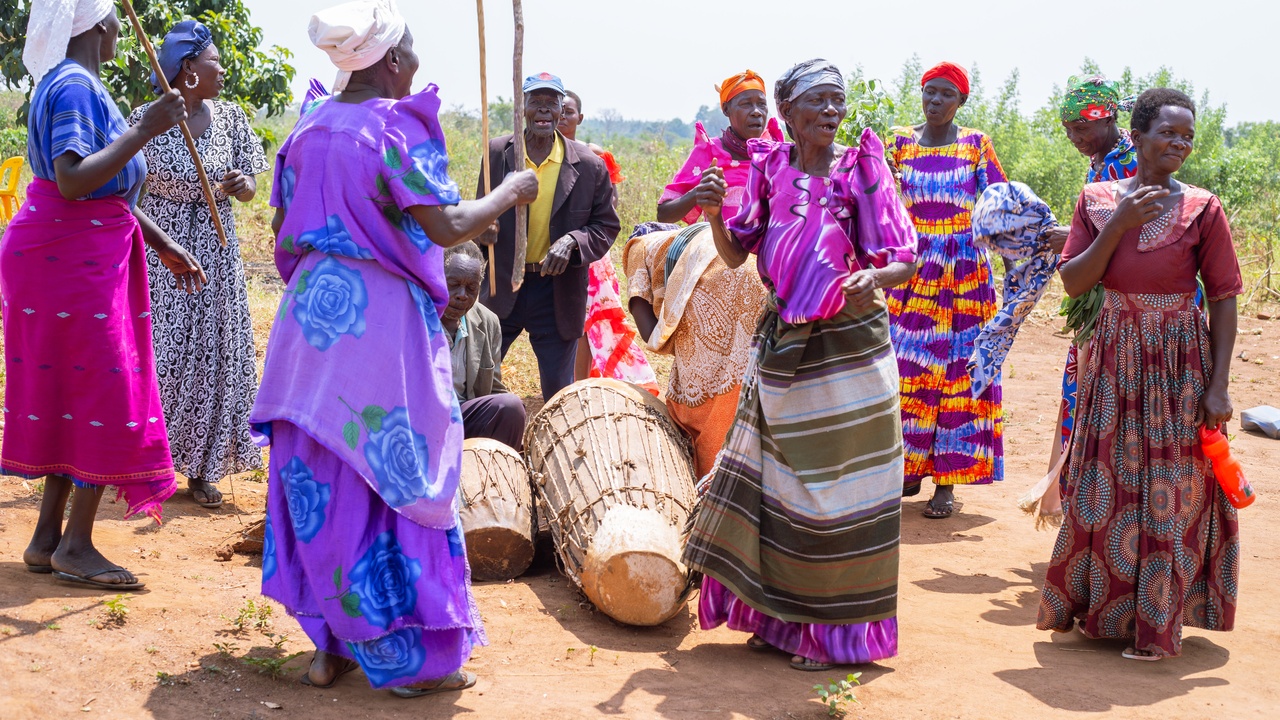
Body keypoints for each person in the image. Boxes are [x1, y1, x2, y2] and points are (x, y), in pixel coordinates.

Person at [250, 0, 538, 696]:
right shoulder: (390, 129)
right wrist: (508, 191)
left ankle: (330, 647)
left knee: (321, 477)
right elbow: (447, 226)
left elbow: (284, 223)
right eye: (410, 54)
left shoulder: (310, 125)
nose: (415, 66)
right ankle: (405, 660)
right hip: (376, 327)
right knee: (395, 483)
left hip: (307, 326)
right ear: (390, 61)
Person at [683, 60, 919, 672]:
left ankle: (833, 635)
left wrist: (877, 276)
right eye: (818, 100)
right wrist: (712, 213)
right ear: (787, 112)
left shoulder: (862, 164)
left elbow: (902, 256)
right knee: (781, 487)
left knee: (842, 490)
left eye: (837, 100)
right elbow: (738, 251)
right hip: (785, 341)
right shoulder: (770, 167)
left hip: (850, 347)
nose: (832, 111)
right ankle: (776, 620)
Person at [3, 0, 204, 590]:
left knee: (74, 391)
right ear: (97, 24)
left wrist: (162, 243)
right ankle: (77, 545)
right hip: (67, 261)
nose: (121, 25)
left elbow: (113, 195)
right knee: (104, 390)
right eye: (114, 15)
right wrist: (146, 127)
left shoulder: (76, 83)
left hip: (73, 255)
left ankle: (46, 540)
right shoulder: (73, 86)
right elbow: (72, 178)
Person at [1036, 88, 1241, 661]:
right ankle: (1101, 610)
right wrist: (1118, 225)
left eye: (1187, 137)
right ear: (1138, 136)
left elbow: (1224, 297)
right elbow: (1075, 281)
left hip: (1180, 364)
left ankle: (1158, 620)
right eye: (1168, 134)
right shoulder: (1098, 200)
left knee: (1173, 490)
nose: (1179, 144)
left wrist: (1218, 385)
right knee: (1106, 481)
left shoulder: (1203, 208)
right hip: (1112, 359)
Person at [128, 20, 270, 508]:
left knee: (216, 357)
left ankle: (204, 469)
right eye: (213, 61)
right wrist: (161, 242)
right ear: (188, 69)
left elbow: (252, 185)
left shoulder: (230, 119)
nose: (222, 69)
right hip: (164, 253)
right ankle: (151, 461)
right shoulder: (148, 118)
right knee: (163, 355)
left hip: (219, 249)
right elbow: (125, 191)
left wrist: (239, 183)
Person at [623, 70, 777, 477]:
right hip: (711, 261)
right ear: (726, 110)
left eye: (761, 103)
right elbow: (665, 212)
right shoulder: (708, 155)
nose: (756, 111)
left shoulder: (780, 154)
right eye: (746, 103)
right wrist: (699, 196)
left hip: (760, 266)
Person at [887, 61, 1008, 518]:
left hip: (965, 273)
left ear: (961, 102)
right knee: (908, 368)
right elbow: (881, 200)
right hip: (913, 270)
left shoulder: (975, 144)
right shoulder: (898, 142)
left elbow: (999, 201)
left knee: (961, 372)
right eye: (928, 93)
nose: (934, 101)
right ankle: (909, 468)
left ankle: (948, 483)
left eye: (945, 95)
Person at [476, 72, 621, 401]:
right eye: (535, 102)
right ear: (522, 107)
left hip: (557, 290)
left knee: (558, 392)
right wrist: (484, 231)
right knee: (478, 377)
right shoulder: (499, 153)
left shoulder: (588, 165)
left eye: (551, 103)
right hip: (503, 286)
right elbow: (481, 213)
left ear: (561, 109)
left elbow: (606, 227)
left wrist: (572, 242)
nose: (543, 110)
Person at [1036, 76, 1140, 521]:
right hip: (1098, 302)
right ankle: (1087, 512)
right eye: (1068, 130)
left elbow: (1132, 236)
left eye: (1081, 128)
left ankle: (1110, 514)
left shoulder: (1133, 163)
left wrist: (1067, 238)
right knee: (1087, 401)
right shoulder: (1103, 161)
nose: (1074, 139)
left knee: (1114, 405)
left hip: (1130, 307)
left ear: (1110, 119)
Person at [557, 89, 658, 393]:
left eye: (569, 111)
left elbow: (609, 203)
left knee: (589, 319)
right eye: (558, 110)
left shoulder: (592, 154)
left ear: (580, 118)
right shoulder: (542, 154)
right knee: (566, 319)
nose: (562, 116)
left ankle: (580, 385)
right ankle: (574, 381)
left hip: (589, 249)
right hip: (556, 248)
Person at [440, 241, 527, 451]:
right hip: (417, 418)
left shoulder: (487, 322)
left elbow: (495, 389)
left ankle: (495, 478)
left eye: (471, 288)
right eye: (453, 284)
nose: (462, 294)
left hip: (461, 417)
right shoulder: (414, 314)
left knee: (511, 408)